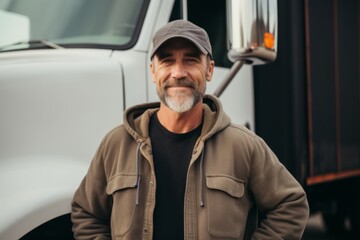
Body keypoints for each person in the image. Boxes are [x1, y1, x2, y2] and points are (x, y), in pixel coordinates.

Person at [71, 19, 309, 240]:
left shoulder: (243, 145)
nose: (178, 72)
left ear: (209, 70)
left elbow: (291, 205)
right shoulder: (116, 144)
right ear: (153, 72)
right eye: (166, 60)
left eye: (191, 59)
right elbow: (85, 212)